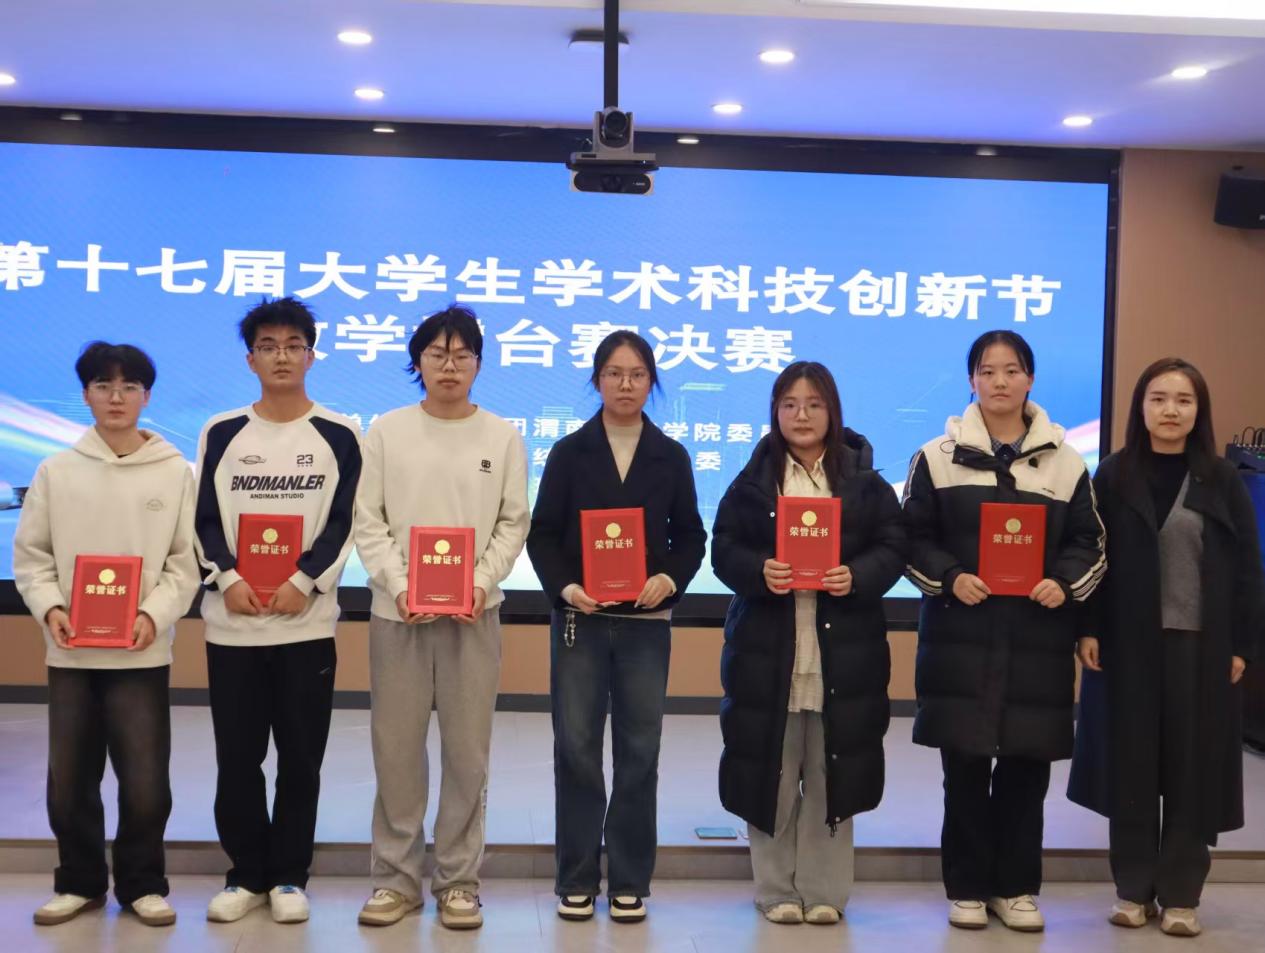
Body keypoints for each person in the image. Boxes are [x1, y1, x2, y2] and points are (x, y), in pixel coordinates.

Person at [901, 329, 1105, 932]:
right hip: (960, 638)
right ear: (971, 381)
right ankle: (966, 888)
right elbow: (909, 539)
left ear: (1030, 379)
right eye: (987, 371)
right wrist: (950, 577)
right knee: (963, 768)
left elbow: (1090, 542)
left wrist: (1063, 584)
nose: (999, 381)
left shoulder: (1066, 461)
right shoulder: (936, 456)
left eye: (1011, 370)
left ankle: (1015, 888)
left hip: (1037, 641)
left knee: (1026, 768)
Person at [1068, 358, 1265, 938]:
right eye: (1158, 398)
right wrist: (1088, 627)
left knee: (1191, 770)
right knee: (1130, 765)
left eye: (1183, 400)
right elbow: (1091, 558)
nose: (1170, 410)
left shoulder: (1221, 479)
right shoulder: (1113, 473)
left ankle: (1181, 895)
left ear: (1199, 410)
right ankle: (1132, 890)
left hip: (1202, 648)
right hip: (1125, 645)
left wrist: (1243, 645)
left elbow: (1248, 568)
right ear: (1141, 406)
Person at [712, 361, 905, 925]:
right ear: (775, 411)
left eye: (814, 404)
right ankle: (775, 888)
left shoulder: (864, 483)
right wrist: (758, 570)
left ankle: (825, 891)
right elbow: (723, 548)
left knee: (830, 771)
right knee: (770, 770)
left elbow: (894, 546)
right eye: (790, 404)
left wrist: (857, 575)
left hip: (843, 656)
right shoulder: (753, 482)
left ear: (832, 412)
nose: (802, 415)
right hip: (769, 653)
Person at [354, 305, 528, 930]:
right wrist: (401, 586)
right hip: (397, 615)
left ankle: (458, 881)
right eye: (436, 354)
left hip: (472, 617)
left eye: (461, 355)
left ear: (478, 363)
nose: (449, 366)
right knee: (396, 752)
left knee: (467, 755)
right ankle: (394, 881)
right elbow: (368, 521)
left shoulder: (501, 436)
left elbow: (513, 523)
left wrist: (479, 584)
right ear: (418, 362)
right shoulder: (386, 431)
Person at [14, 342, 200, 928]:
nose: (116, 397)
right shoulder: (57, 471)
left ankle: (143, 885)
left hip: (141, 651)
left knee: (144, 782)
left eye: (128, 387)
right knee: (69, 781)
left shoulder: (175, 472)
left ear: (147, 396)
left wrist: (153, 615)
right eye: (103, 386)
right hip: (71, 650)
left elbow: (184, 563)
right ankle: (80, 882)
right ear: (86, 394)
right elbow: (32, 556)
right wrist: (51, 608)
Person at [526, 330, 706, 923]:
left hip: (646, 625)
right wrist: (565, 587)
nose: (625, 384)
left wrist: (669, 577)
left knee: (639, 751)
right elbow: (543, 534)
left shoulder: (670, 455)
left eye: (637, 374)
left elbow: (691, 537)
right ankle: (576, 877)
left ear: (651, 382)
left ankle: (630, 879)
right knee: (576, 748)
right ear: (597, 380)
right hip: (580, 619)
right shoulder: (569, 452)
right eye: (614, 373)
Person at [194, 297, 362, 925]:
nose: (282, 356)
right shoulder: (222, 431)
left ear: (311, 355)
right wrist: (229, 578)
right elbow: (203, 519)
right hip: (232, 625)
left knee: (300, 757)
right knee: (237, 758)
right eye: (268, 346)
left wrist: (304, 580)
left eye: (293, 345)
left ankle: (290, 875)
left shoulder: (340, 433)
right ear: (251, 359)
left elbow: (346, 520)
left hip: (305, 624)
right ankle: (245, 874)